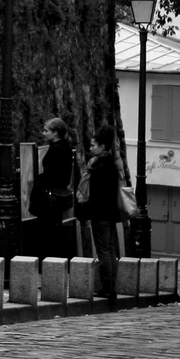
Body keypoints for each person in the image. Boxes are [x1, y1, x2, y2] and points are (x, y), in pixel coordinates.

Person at [77, 125, 125, 302]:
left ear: (102, 147)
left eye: (93, 145)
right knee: (110, 250)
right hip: (111, 214)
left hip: (101, 215)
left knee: (104, 251)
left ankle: (107, 287)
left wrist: (86, 211)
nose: (90, 149)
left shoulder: (99, 166)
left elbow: (94, 194)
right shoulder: (112, 164)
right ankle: (111, 286)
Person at [31, 117, 76, 258]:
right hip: (57, 195)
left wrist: (39, 183)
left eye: (46, 131)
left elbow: (50, 175)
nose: (43, 133)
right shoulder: (65, 148)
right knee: (54, 229)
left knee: (47, 231)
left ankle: (48, 261)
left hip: (49, 197)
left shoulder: (56, 150)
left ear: (55, 133)